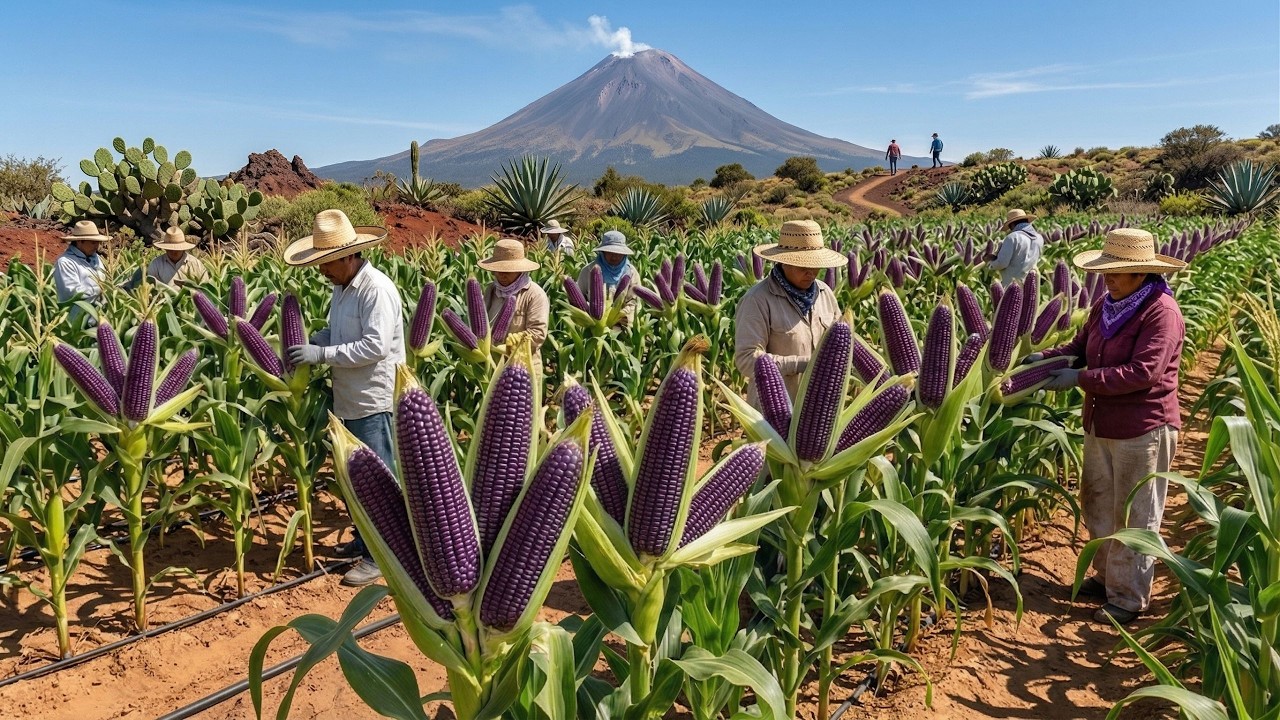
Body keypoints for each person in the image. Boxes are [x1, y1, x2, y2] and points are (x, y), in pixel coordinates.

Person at [1031, 228, 1187, 625]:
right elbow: (1078, 348)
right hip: (1101, 422)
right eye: (1106, 271)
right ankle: (1104, 578)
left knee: (1135, 514)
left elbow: (1143, 373)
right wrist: (1042, 360)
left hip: (1143, 427)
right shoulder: (1107, 304)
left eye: (1118, 272)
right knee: (1097, 502)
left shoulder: (1161, 312)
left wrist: (1079, 380)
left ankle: (1129, 597)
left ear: (1142, 274)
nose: (1108, 278)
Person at [282, 209, 405, 587]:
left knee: (378, 479)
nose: (322, 271)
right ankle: (364, 540)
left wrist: (323, 355)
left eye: (326, 263)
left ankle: (381, 557)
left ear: (348, 255)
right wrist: (320, 339)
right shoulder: (341, 288)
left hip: (374, 399)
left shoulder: (376, 290)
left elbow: (375, 346)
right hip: (347, 399)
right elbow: (342, 333)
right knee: (354, 480)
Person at [734, 219, 844, 406]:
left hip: (819, 410)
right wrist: (803, 364)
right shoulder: (758, 299)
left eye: (815, 265)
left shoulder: (825, 293)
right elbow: (746, 360)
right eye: (803, 267)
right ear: (784, 262)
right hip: (774, 412)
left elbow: (842, 344)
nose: (811, 273)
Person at [478, 238, 550, 366]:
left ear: (520, 270)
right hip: (492, 364)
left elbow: (537, 334)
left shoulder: (534, 295)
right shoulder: (491, 289)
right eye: (498, 270)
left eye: (507, 271)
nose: (501, 275)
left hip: (522, 368)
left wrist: (506, 346)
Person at [577, 230, 640, 328]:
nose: (614, 257)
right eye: (610, 252)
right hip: (593, 324)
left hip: (622, 324)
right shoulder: (588, 271)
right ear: (602, 252)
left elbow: (634, 301)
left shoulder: (631, 273)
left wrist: (621, 315)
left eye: (618, 253)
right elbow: (579, 297)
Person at [54, 220, 109, 324]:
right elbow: (73, 292)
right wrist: (101, 290)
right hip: (78, 320)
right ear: (79, 241)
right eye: (93, 242)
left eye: (98, 242)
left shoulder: (96, 258)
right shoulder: (66, 262)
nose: (97, 246)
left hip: (99, 318)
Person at [990, 209, 1044, 287]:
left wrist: (991, 264)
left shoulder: (1013, 237)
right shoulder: (1039, 237)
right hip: (1031, 285)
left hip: (1012, 286)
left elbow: (1002, 263)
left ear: (1012, 224)